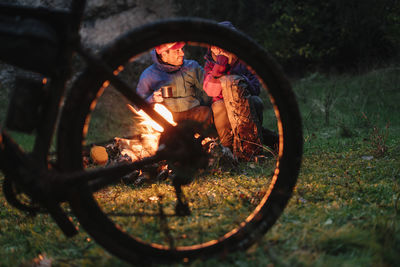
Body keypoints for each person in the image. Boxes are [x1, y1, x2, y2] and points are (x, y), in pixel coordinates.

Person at [203, 21, 278, 161]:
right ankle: (228, 149)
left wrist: (239, 83)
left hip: (244, 101)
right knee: (218, 106)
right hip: (223, 105)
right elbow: (211, 91)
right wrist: (219, 67)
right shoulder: (210, 63)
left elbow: (256, 88)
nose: (218, 48)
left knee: (256, 101)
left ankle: (252, 143)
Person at [136, 42, 212, 127]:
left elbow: (208, 90)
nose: (182, 53)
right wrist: (152, 99)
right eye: (177, 50)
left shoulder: (192, 67)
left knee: (205, 112)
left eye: (182, 49)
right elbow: (138, 106)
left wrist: (205, 104)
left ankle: (205, 138)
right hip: (167, 120)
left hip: (192, 113)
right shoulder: (149, 75)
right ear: (164, 55)